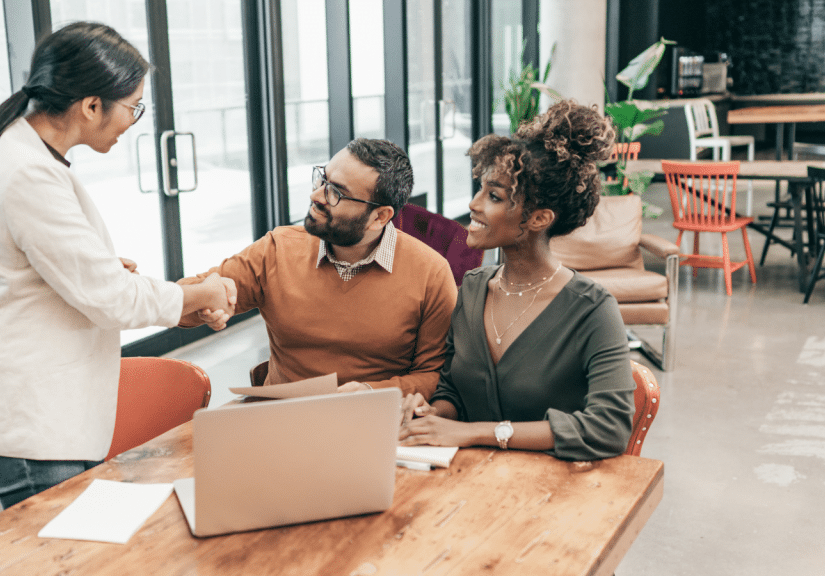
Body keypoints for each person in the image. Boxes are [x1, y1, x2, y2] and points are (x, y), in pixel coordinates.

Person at [0, 22, 236, 509]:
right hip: (30, 423)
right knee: (62, 557)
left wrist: (95, 269)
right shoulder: (28, 173)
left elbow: (36, 267)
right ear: (92, 105)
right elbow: (110, 297)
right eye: (133, 107)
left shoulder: (20, 150)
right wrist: (200, 294)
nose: (133, 120)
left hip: (33, 409)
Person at [398, 100, 634, 461]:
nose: (474, 204)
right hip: (468, 481)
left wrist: (475, 433)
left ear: (539, 219)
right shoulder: (474, 288)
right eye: (480, 189)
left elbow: (609, 428)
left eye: (494, 196)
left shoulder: (592, 310)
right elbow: (453, 390)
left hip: (552, 493)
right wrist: (434, 414)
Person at [180, 139, 458, 398]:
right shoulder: (278, 249)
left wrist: (371, 391)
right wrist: (207, 298)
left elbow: (435, 375)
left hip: (371, 420)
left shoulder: (430, 273)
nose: (316, 195)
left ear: (379, 217)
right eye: (322, 179)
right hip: (281, 418)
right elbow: (179, 303)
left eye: (336, 192)